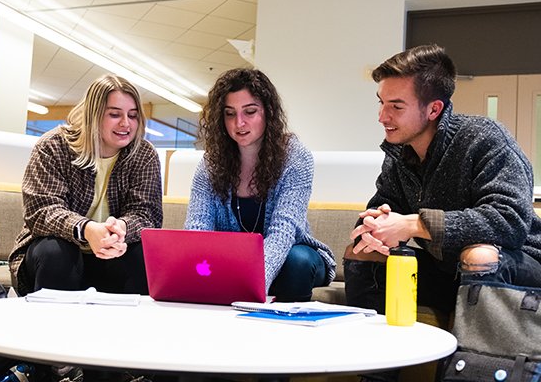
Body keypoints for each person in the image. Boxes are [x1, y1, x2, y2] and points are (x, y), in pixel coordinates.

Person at [344, 44, 541, 318]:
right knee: (362, 252)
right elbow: (381, 208)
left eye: (396, 106)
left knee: (478, 256)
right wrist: (373, 229)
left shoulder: (484, 138)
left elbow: (509, 222)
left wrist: (413, 223)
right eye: (381, 102)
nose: (382, 116)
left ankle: (470, 361)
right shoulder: (401, 154)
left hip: (517, 265)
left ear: (434, 109)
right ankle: (375, 356)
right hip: (447, 271)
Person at [184, 68, 336, 302]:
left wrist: (250, 287)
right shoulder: (210, 163)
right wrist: (195, 275)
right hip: (235, 260)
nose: (239, 123)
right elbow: (198, 227)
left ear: (269, 112)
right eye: (229, 113)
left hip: (293, 255)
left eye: (250, 112)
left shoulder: (295, 157)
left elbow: (283, 232)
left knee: (296, 262)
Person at [9, 74, 163, 297]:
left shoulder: (144, 154)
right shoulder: (53, 146)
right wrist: (86, 229)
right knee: (56, 253)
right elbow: (41, 211)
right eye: (114, 114)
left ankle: (129, 329)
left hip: (114, 252)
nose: (125, 123)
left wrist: (121, 229)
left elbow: (147, 214)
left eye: (133, 115)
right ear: (93, 114)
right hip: (59, 251)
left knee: (141, 256)